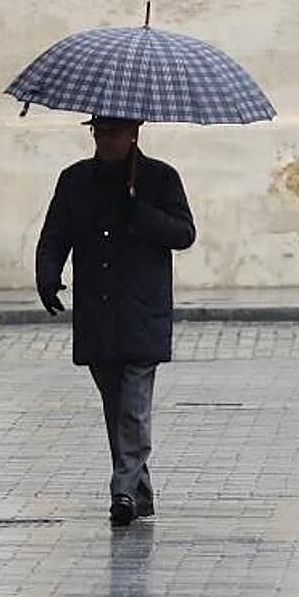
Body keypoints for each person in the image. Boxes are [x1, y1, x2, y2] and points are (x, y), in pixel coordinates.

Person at [35, 115, 196, 527]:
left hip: (142, 309)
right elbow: (56, 234)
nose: (104, 140)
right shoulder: (75, 180)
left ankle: (122, 490)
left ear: (133, 133)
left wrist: (139, 213)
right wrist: (48, 276)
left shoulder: (160, 178)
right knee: (115, 404)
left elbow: (183, 233)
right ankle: (138, 492)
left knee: (134, 407)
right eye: (98, 132)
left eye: (113, 132)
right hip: (98, 311)